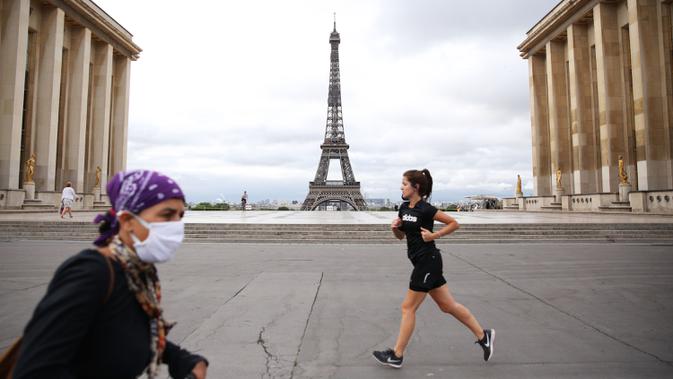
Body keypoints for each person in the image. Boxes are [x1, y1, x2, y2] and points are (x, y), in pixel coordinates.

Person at [12, 170, 209, 379]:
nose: (176, 226)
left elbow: (123, 333)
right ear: (127, 221)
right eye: (167, 215)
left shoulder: (137, 272)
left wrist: (181, 359)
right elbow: (36, 369)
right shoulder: (91, 273)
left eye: (180, 216)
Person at [372, 169, 494, 369]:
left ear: (416, 187)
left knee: (408, 307)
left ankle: (397, 354)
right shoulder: (403, 208)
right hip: (421, 261)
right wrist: (395, 229)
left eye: (404, 184)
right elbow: (402, 237)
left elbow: (454, 223)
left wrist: (433, 236)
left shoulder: (426, 209)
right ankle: (483, 336)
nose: (401, 187)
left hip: (428, 261)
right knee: (448, 306)